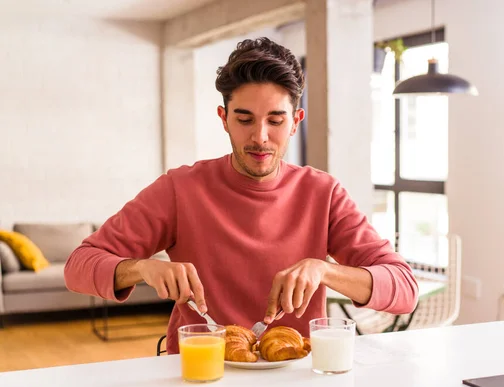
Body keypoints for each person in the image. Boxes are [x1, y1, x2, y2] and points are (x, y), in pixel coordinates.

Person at [64, 37, 418, 354]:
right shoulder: (180, 188)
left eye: (275, 121)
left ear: (296, 121)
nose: (260, 137)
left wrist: (324, 271)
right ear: (224, 118)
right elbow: (78, 266)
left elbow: (404, 288)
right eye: (245, 119)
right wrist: (141, 268)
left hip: (294, 377)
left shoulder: (323, 193)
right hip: (199, 373)